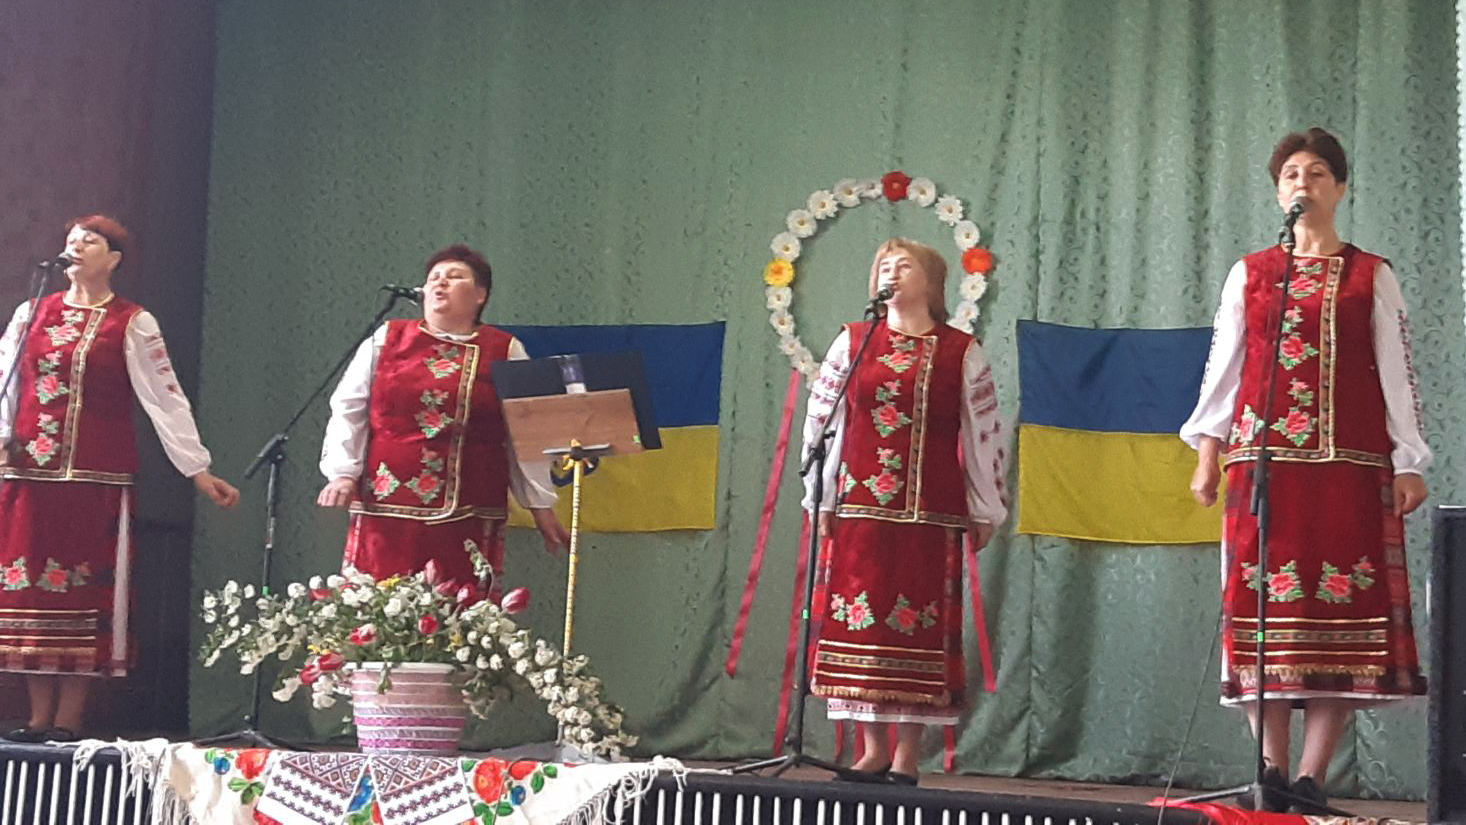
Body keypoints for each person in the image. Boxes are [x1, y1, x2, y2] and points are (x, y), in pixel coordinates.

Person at [1182, 128, 1429, 813]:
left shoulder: (1370, 274)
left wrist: (1409, 460)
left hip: (1350, 466)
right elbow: (1224, 367)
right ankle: (1270, 768)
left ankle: (1311, 779)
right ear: (1277, 191)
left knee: (1340, 617)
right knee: (1265, 616)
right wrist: (1207, 452)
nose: (1303, 183)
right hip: (1264, 468)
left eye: (1318, 173)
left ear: (1340, 188)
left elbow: (1397, 371)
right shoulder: (1252, 272)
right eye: (1291, 173)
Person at [0, 215, 239, 742]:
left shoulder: (131, 321)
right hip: (30, 473)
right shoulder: (31, 312)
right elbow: (6, 379)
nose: (77, 246)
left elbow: (164, 398)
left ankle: (69, 719)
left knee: (85, 591)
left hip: (95, 477)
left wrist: (197, 469)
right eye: (72, 239)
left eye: (90, 240)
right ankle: (37, 717)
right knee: (30, 591)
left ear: (113, 259)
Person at [801, 238, 1007, 786]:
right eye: (884, 266)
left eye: (904, 265)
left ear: (932, 283)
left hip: (931, 512)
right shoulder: (853, 342)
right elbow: (823, 422)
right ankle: (871, 751)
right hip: (861, 509)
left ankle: (907, 757)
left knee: (918, 628)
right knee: (863, 629)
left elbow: (984, 432)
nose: (891, 273)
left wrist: (985, 507)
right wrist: (821, 496)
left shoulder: (961, 351)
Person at [318, 244, 568, 593]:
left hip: (469, 510)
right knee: (378, 608)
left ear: (480, 295)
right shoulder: (387, 339)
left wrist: (540, 504)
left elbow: (525, 430)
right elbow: (349, 407)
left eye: (454, 277)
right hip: (386, 510)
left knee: (459, 611)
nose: (439, 283)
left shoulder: (505, 349)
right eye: (434, 277)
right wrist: (343, 474)